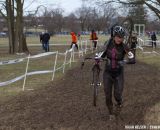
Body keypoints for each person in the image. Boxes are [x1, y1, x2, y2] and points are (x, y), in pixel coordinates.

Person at [96, 26, 135, 118]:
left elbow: (132, 58)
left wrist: (125, 61)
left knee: (117, 94)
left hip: (118, 74)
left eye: (121, 37)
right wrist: (97, 58)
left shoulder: (124, 46)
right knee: (108, 95)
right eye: (118, 36)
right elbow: (99, 53)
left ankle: (119, 102)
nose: (119, 39)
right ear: (114, 36)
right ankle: (111, 112)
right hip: (108, 73)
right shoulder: (108, 43)